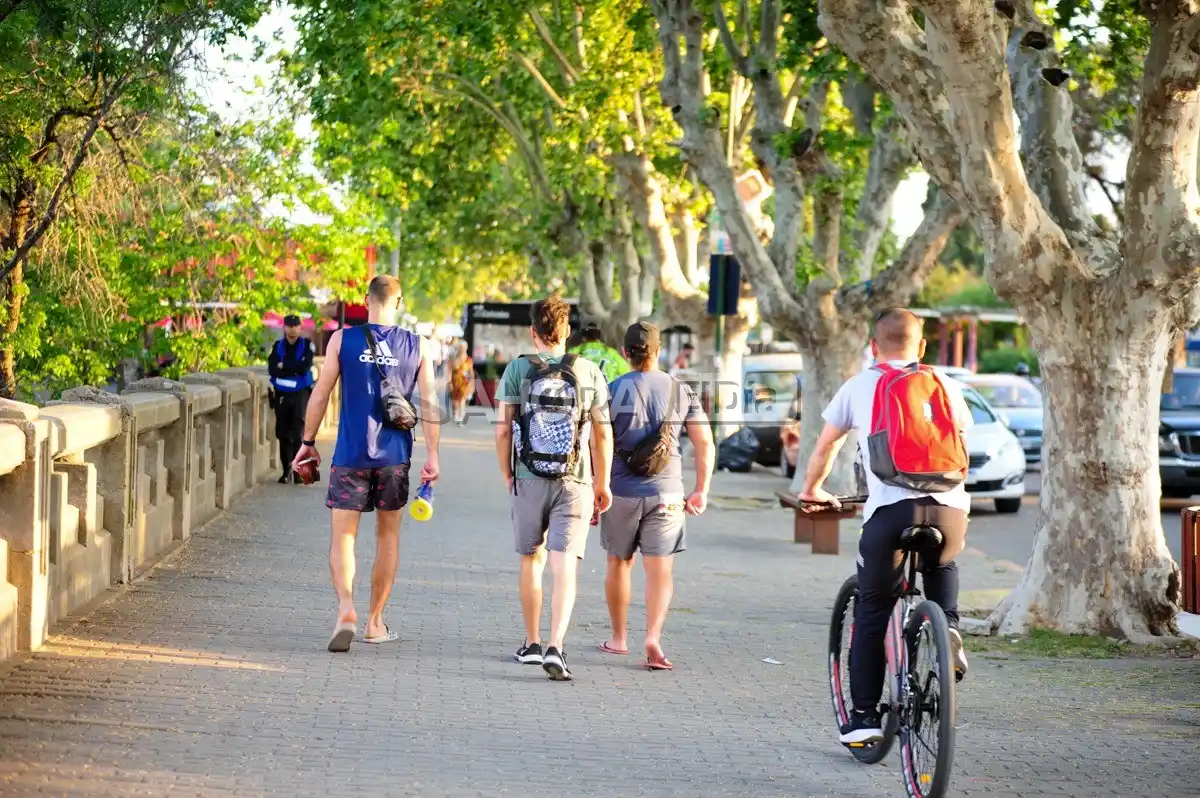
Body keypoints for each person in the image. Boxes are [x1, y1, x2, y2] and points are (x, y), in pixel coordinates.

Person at [798, 308, 971, 745]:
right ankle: (947, 627)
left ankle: (863, 720)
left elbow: (826, 446)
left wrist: (813, 489)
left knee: (873, 609)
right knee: (942, 561)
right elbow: (962, 445)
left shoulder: (860, 385)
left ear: (873, 346)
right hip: (949, 511)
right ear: (922, 346)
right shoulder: (946, 384)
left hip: (892, 512)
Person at [292, 275, 440, 653]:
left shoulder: (342, 340)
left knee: (343, 537)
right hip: (395, 457)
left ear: (366, 299)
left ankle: (346, 610)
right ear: (399, 302)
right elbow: (429, 403)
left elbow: (320, 393)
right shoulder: (418, 345)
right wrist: (433, 455)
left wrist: (307, 442)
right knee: (388, 537)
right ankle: (375, 623)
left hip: (350, 455)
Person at [494, 296, 612, 681]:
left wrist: (507, 473)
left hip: (528, 477)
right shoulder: (589, 370)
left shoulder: (517, 368)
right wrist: (603, 481)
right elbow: (602, 432)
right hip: (574, 480)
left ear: (533, 332)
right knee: (565, 566)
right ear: (567, 332)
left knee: (532, 560)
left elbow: (502, 429)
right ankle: (556, 647)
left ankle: (531, 644)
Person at [601, 321, 714, 670]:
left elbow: (597, 442)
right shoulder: (681, 391)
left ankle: (618, 639)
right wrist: (701, 489)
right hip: (668, 493)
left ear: (625, 353)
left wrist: (596, 486)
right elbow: (704, 442)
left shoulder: (611, 390)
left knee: (619, 562)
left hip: (620, 491)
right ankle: (653, 637)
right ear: (659, 351)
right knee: (660, 569)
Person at [268, 315, 315, 484]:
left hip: (300, 392)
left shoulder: (307, 345)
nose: (293, 329)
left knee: (298, 432)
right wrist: (293, 368)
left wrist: (285, 366)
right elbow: (273, 369)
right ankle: (286, 469)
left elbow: (305, 366)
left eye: (296, 326)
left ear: (300, 328)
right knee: (283, 433)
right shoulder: (278, 346)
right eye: (290, 326)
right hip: (281, 393)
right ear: (285, 328)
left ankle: (297, 471)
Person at [448, 341, 474, 426]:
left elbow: (471, 372)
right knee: (455, 402)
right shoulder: (454, 358)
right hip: (455, 382)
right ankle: (455, 413)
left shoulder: (469, 360)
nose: (463, 349)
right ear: (459, 348)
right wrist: (449, 383)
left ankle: (461, 417)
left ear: (466, 348)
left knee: (462, 399)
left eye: (464, 347)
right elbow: (450, 371)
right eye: (461, 347)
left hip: (465, 383)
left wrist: (473, 383)